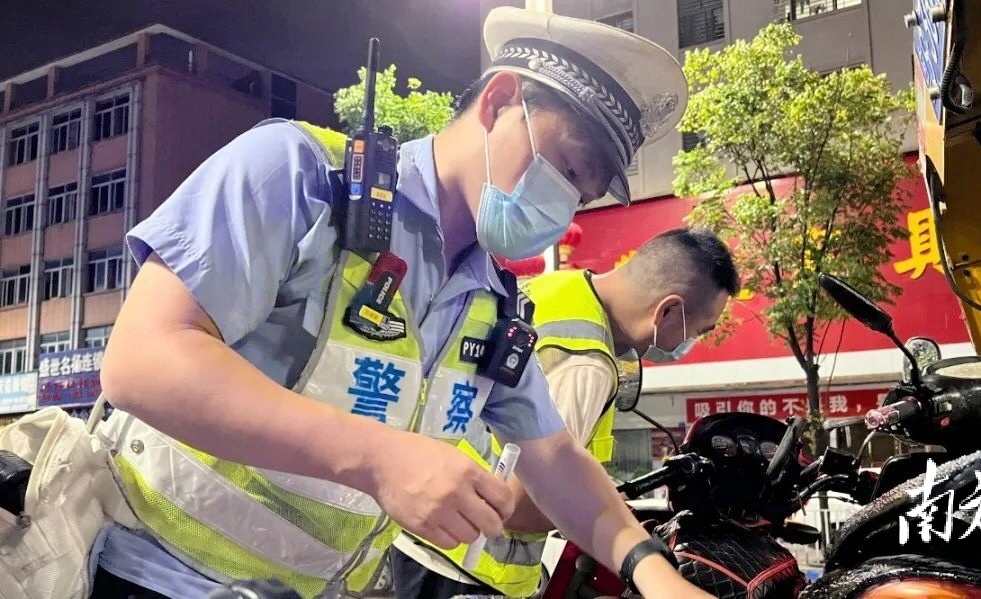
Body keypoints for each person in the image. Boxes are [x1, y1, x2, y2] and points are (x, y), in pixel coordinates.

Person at [87, 6, 716, 599]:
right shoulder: (302, 175)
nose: (566, 204)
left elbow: (554, 457)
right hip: (145, 574)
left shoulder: (494, 304)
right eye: (568, 169)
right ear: (500, 100)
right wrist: (378, 458)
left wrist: (653, 571)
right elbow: (143, 359)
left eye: (582, 193)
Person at [390, 227, 740, 598]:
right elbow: (529, 502)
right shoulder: (584, 361)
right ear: (667, 310)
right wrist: (602, 513)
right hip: (467, 567)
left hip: (422, 531)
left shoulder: (559, 291)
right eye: (698, 330)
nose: (689, 343)